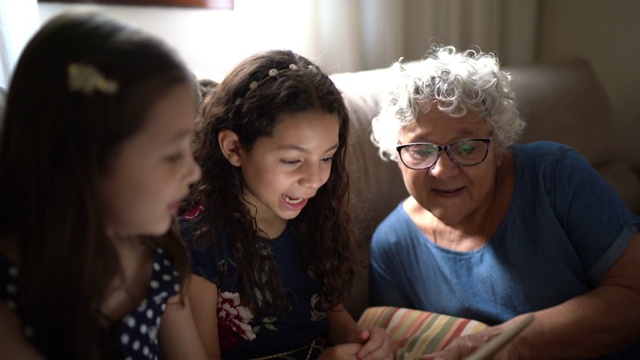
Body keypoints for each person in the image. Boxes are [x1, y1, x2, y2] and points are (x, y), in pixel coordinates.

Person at [368, 44, 640, 359]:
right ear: (396, 154)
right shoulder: (391, 245)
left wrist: (509, 345)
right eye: (421, 149)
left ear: (499, 148)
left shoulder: (554, 175)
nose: (442, 170)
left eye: (467, 147)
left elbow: (634, 295)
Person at [0, 10, 208, 359]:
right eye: (172, 155)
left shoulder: (158, 259)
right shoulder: (11, 297)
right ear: (84, 159)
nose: (194, 173)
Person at [181, 49, 393, 360]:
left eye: (326, 157)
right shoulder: (200, 241)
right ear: (233, 148)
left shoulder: (313, 218)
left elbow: (334, 320)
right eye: (293, 160)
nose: (314, 179)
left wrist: (364, 341)